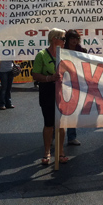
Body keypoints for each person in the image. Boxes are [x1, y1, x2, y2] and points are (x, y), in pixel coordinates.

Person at [31, 28, 68, 163]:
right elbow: (35, 74)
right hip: (47, 91)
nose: (65, 41)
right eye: (63, 38)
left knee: (61, 123)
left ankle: (61, 151)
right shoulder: (42, 55)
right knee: (49, 123)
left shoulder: (66, 54)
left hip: (63, 91)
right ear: (54, 39)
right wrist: (50, 78)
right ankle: (47, 152)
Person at [63, 29, 85, 145]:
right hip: (62, 84)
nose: (74, 41)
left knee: (73, 112)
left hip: (76, 85)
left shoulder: (82, 51)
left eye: (76, 38)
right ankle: (53, 136)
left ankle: (71, 137)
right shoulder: (61, 51)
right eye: (72, 38)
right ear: (67, 39)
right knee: (59, 112)